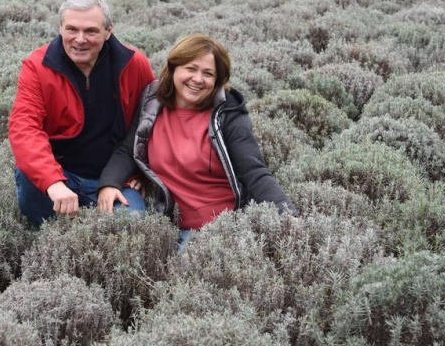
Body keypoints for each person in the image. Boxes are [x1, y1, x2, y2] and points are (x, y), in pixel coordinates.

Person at [97, 33, 296, 244]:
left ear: (217, 81)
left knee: (188, 271)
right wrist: (109, 183)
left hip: (213, 226)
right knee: (123, 235)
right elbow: (128, 150)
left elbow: (254, 171)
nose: (198, 79)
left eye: (208, 73)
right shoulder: (152, 101)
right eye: (190, 69)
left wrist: (287, 216)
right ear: (173, 68)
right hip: (165, 216)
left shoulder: (227, 113)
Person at [8, 0, 155, 227]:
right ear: (60, 28)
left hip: (114, 177)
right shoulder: (37, 66)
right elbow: (24, 128)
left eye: (91, 31)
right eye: (72, 29)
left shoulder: (134, 63)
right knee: (45, 223)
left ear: (109, 31)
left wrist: (141, 174)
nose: (79, 39)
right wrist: (53, 182)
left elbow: (151, 123)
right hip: (59, 173)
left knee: (131, 227)